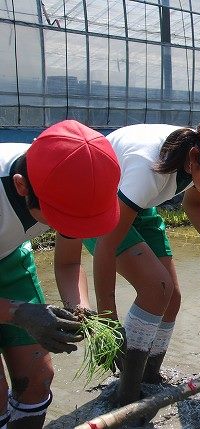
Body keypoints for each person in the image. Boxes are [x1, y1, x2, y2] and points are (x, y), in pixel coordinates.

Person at [86, 114, 200, 407]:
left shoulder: (195, 152)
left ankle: (149, 377)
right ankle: (126, 394)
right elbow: (106, 246)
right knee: (156, 290)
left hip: (140, 205)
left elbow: (193, 202)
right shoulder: (149, 169)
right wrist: (108, 322)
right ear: (194, 158)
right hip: (98, 203)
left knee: (172, 298)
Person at [0, 120, 121, 428]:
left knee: (39, 376)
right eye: (61, 219)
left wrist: (80, 305)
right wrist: (17, 312)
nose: (68, 230)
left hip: (9, 256)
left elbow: (68, 262)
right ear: (21, 186)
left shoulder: (69, 178)